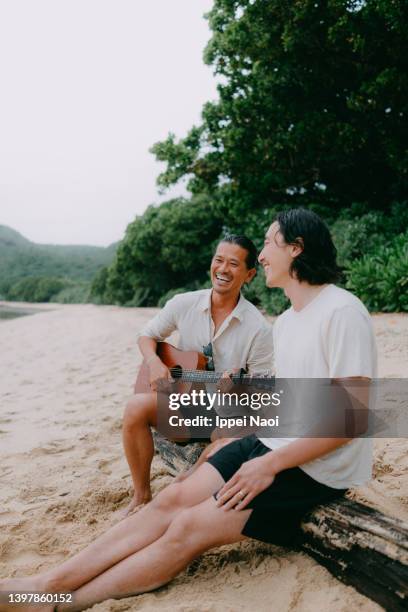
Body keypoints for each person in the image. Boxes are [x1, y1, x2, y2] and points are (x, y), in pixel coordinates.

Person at [0, 208, 377, 612]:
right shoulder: (287, 321)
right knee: (171, 499)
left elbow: (350, 418)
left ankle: (58, 604)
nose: (263, 254)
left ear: (296, 249)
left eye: (269, 242)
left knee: (187, 527)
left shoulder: (342, 311)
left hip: (315, 468)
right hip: (270, 443)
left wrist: (269, 465)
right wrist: (235, 438)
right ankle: (46, 583)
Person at [122, 234, 273, 514]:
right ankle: (141, 496)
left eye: (233, 264)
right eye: (218, 260)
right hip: (183, 405)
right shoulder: (184, 303)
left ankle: (190, 485)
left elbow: (263, 393)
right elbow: (147, 335)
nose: (223, 269)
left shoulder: (259, 329)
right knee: (134, 407)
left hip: (227, 416)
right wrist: (154, 362)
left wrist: (239, 388)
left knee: (227, 431)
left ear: (250, 274)